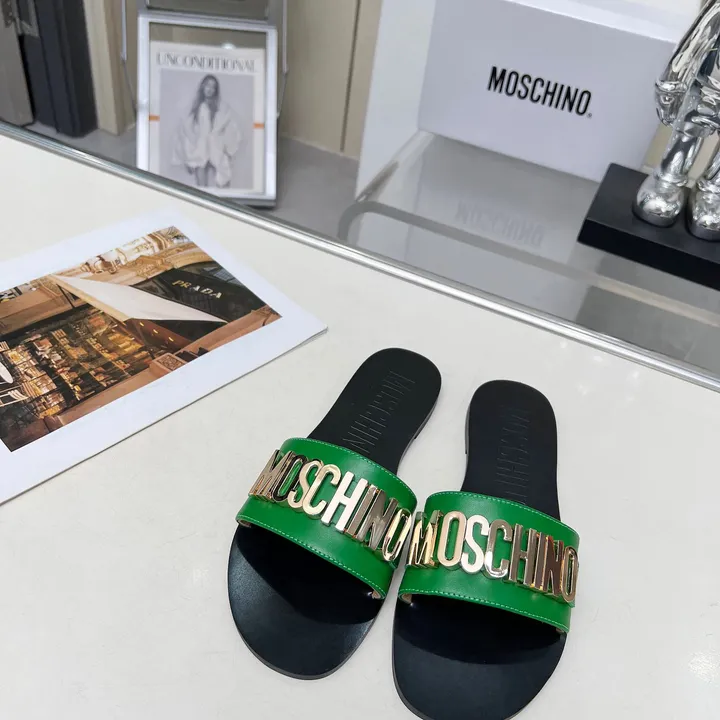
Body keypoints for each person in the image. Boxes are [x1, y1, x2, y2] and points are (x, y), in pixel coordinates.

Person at [634, 1, 720, 240]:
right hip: (707, 89)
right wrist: (672, 82)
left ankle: (713, 190)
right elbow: (699, 36)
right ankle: (668, 179)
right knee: (689, 132)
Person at [172, 75, 241, 189]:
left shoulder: (221, 108)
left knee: (223, 181)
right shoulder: (195, 108)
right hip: (200, 151)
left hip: (216, 150)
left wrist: (228, 150)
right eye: (208, 85)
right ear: (203, 86)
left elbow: (231, 129)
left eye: (213, 87)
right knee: (201, 189)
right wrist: (188, 156)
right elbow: (186, 131)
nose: (210, 89)